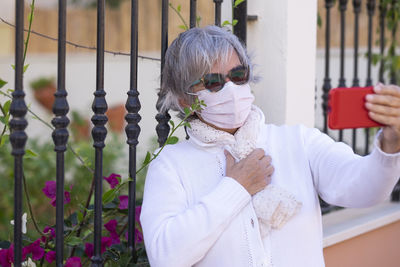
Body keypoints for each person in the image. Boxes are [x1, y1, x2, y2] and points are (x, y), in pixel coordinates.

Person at [140, 25, 400, 267]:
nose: (230, 88)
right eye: (213, 82)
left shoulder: (297, 142)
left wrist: (391, 145)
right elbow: (165, 256)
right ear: (185, 100)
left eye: (238, 75)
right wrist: (236, 188)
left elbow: (366, 189)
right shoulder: (170, 165)